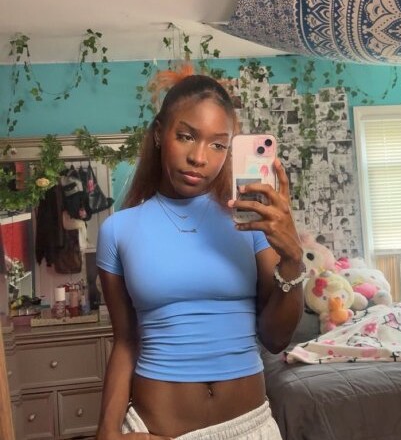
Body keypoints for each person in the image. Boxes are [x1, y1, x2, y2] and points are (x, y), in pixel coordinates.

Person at [95, 65, 305, 440]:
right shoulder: (118, 230)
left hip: (249, 428)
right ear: (159, 134)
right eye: (186, 136)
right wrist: (106, 433)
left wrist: (292, 260)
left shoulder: (250, 224)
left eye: (218, 144)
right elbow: (125, 340)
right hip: (158, 429)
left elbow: (276, 339)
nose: (199, 157)